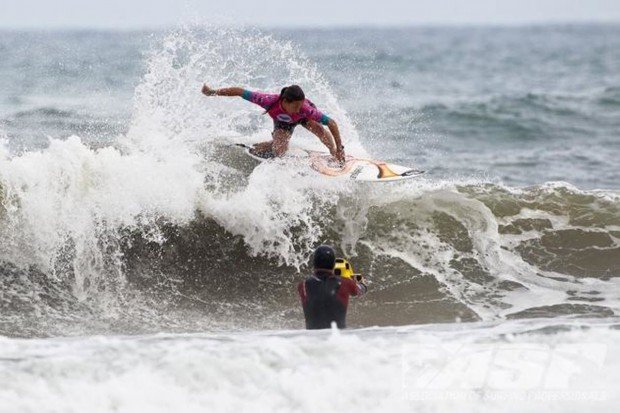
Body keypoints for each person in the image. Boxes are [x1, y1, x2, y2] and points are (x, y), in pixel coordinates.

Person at [201, 84, 346, 163]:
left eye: (301, 105)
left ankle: (334, 153)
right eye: (295, 106)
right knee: (279, 152)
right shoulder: (268, 101)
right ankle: (267, 144)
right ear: (285, 101)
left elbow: (331, 123)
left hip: (304, 119)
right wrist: (213, 92)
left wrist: (339, 148)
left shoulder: (304, 109)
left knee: (319, 130)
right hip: (283, 122)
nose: (299, 108)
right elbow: (240, 91)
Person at [297, 245, 367, 329]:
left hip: (312, 339)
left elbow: (319, 287)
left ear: (314, 263)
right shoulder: (345, 283)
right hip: (336, 338)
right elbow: (359, 290)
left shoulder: (303, 285)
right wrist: (362, 283)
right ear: (333, 264)